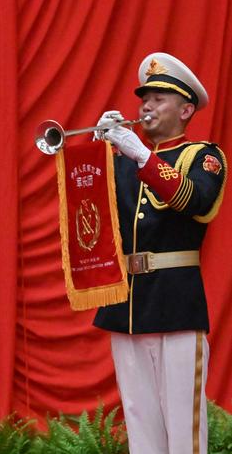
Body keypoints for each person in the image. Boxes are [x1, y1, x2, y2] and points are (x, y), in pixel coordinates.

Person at [93, 53, 226, 454]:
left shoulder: (204, 156)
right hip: (129, 306)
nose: (146, 106)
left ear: (186, 109)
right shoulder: (128, 161)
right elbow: (93, 218)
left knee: (184, 431)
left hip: (176, 304)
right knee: (141, 429)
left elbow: (194, 200)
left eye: (159, 98)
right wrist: (95, 154)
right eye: (144, 98)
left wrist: (141, 156)